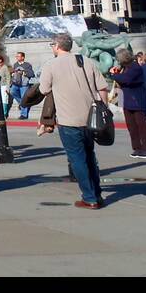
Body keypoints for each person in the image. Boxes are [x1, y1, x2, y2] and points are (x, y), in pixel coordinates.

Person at [40, 33, 110, 209]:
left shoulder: (51, 65)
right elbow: (102, 88)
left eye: (52, 45)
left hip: (68, 119)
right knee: (90, 157)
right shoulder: (86, 61)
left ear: (56, 46)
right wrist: (104, 110)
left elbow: (43, 89)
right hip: (90, 118)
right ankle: (97, 193)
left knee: (77, 159)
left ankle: (89, 197)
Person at [109, 48, 146, 159]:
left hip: (137, 100)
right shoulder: (125, 68)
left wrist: (114, 75)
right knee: (132, 126)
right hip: (127, 100)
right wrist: (117, 73)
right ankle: (137, 148)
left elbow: (127, 79)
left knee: (141, 125)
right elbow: (123, 79)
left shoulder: (135, 67)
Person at [8, 51, 35, 118]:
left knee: (23, 98)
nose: (17, 57)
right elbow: (13, 72)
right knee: (12, 92)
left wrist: (23, 73)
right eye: (16, 56)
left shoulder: (27, 65)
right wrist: (13, 74)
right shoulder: (15, 65)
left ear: (23, 57)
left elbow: (32, 74)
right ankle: (22, 103)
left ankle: (24, 115)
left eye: (18, 56)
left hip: (24, 84)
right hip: (16, 83)